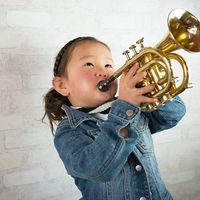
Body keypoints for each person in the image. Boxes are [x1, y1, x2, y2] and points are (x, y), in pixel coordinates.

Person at [43, 36, 186, 200]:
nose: (102, 71)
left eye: (108, 65)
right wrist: (125, 108)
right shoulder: (68, 131)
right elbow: (98, 169)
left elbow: (174, 114)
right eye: (89, 64)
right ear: (62, 85)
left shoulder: (134, 108)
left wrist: (153, 87)